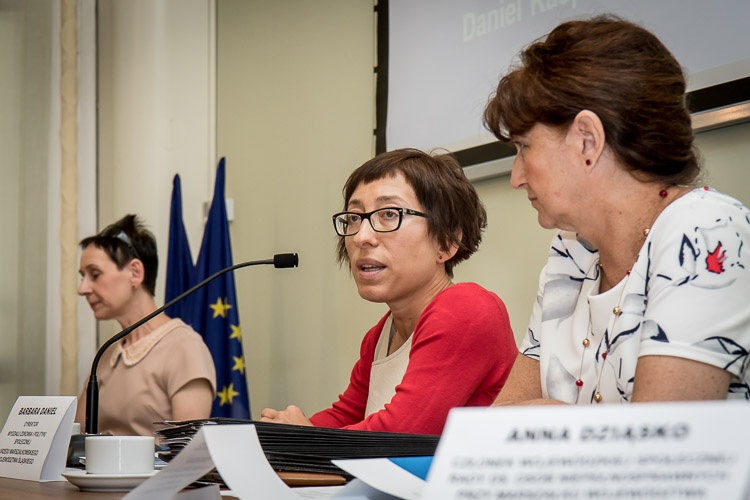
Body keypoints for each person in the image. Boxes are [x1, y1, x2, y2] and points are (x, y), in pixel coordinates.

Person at [484, 15, 750, 406]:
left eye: (524, 147)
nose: (516, 178)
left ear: (587, 140)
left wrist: (548, 417)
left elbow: (662, 439)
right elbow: (494, 428)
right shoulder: (570, 254)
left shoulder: (706, 230)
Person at [260, 148, 517, 434]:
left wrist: (304, 438)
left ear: (446, 242)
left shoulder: (467, 309)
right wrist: (279, 432)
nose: (361, 237)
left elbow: (399, 433)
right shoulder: (380, 335)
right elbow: (346, 415)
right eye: (354, 218)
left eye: (389, 214)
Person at [74, 214, 217, 436]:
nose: (82, 289)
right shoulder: (106, 354)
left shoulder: (185, 348)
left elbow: (185, 450)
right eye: (82, 277)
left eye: (95, 274)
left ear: (135, 273)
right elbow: (77, 436)